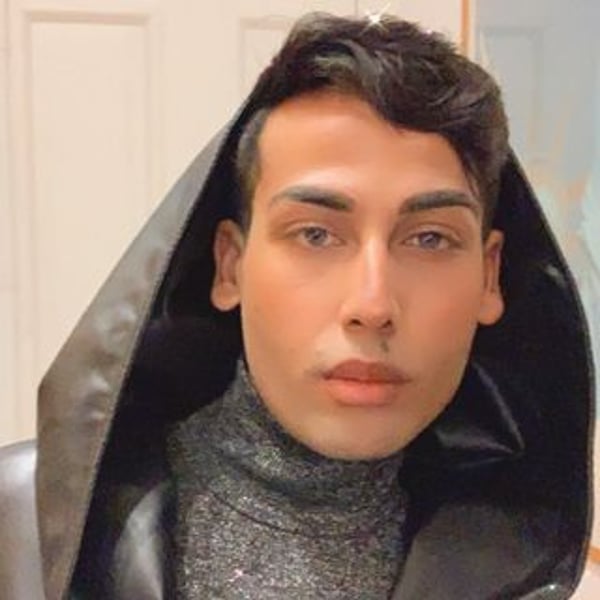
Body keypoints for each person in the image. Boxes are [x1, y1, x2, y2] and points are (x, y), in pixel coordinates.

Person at [0, 12, 593, 600]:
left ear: (490, 276)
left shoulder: (538, 571)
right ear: (230, 265)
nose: (372, 304)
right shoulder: (22, 529)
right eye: (315, 234)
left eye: (430, 239)